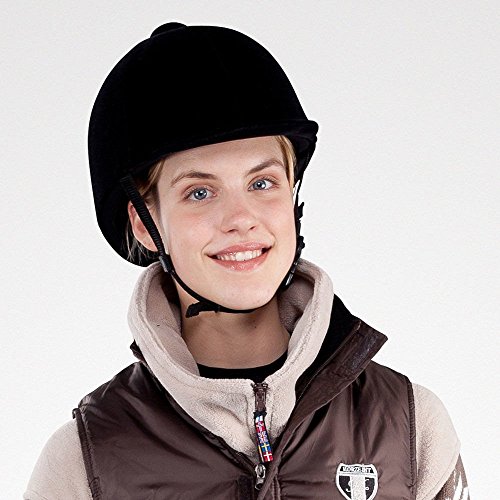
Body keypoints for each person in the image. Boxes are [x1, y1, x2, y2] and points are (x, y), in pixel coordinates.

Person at [24, 22, 470, 500]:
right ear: (145, 224)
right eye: (200, 192)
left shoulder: (411, 429)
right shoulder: (85, 462)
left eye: (262, 183)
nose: (241, 219)